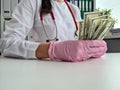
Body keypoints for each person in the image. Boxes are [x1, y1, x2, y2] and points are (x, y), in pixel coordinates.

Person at [0, 0, 107, 62]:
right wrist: (51, 50)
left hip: (73, 72)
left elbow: (77, 44)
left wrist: (90, 50)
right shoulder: (31, 3)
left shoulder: (74, 9)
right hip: (43, 71)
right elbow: (6, 43)